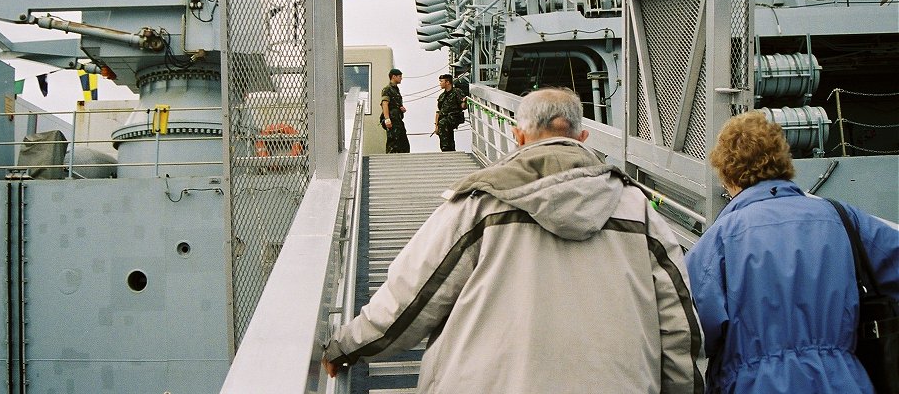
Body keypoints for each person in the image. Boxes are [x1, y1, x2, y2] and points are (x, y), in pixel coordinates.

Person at [323, 88, 704, 393]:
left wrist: (347, 346)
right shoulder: (639, 211)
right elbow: (679, 325)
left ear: (517, 135)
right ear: (582, 136)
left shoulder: (479, 204)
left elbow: (410, 300)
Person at [684, 111, 899, 393]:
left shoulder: (719, 241)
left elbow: (691, 332)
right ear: (783, 159)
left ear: (728, 176)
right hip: (843, 382)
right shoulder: (842, 218)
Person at [380, 68, 409, 153]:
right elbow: (384, 103)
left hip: (398, 119)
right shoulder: (387, 89)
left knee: (403, 143)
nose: (401, 78)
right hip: (392, 119)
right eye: (399, 76)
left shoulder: (396, 90)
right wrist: (387, 119)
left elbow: (394, 103)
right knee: (393, 143)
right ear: (393, 76)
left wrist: (400, 108)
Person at [434, 73, 466, 152]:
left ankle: (446, 148)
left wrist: (464, 102)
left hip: (454, 116)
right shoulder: (442, 96)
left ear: (447, 82)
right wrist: (436, 125)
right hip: (444, 119)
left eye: (441, 81)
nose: (440, 83)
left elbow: (463, 106)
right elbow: (439, 112)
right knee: (445, 129)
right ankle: (449, 149)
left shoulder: (457, 92)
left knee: (443, 123)